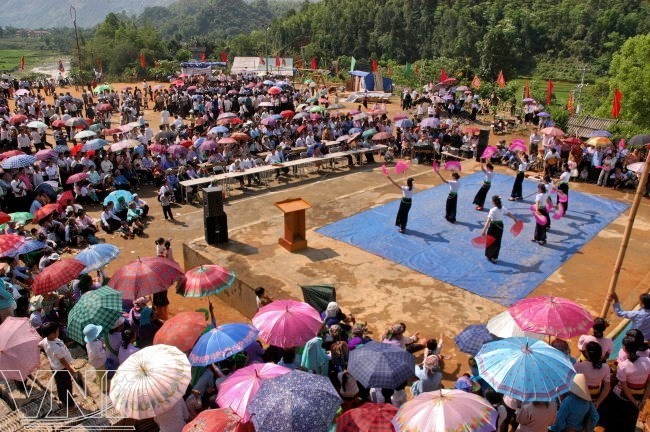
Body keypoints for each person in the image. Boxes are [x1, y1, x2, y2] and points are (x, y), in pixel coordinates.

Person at [600, 336, 650, 431]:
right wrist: (642, 400)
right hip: (639, 397)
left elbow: (624, 387)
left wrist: (633, 401)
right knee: (632, 418)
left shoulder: (623, 366)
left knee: (610, 392)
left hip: (625, 398)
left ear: (625, 350)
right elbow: (649, 383)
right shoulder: (648, 361)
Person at [38, 322, 75, 407]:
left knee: (60, 384)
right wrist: (69, 368)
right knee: (67, 386)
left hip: (54, 367)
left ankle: (62, 398)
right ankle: (70, 404)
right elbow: (62, 360)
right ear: (52, 334)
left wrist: (47, 350)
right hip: (62, 369)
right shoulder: (55, 347)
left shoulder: (46, 340)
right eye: (57, 331)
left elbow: (39, 345)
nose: (59, 332)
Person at [481, 195, 518, 263]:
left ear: (493, 202)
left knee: (490, 241)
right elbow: (508, 213)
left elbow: (488, 220)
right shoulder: (502, 208)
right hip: (500, 226)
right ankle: (495, 257)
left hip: (493, 227)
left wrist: (484, 230)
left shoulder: (492, 210)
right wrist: (514, 218)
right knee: (498, 241)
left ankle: (489, 255)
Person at [574, 342, 611, 408]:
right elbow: (607, 387)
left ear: (587, 353)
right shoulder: (605, 367)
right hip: (593, 399)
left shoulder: (578, 366)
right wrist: (598, 402)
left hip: (579, 397)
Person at [83, 324, 107, 392]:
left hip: (95, 362)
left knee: (99, 373)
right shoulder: (94, 345)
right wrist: (103, 349)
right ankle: (104, 387)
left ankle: (98, 381)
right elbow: (97, 354)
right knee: (102, 374)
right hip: (99, 362)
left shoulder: (89, 343)